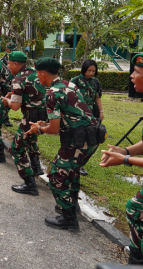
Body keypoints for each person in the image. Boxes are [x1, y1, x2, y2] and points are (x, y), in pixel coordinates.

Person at [26, 57, 98, 232]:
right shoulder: (68, 85)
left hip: (78, 141)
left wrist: (39, 130)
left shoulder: (52, 93)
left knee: (56, 176)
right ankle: (73, 205)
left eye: (37, 73)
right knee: (71, 172)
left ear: (43, 74)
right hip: (91, 137)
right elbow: (71, 113)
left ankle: (69, 218)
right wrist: (45, 124)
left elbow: (54, 129)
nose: (37, 76)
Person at [99, 50, 143, 265]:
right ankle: (137, 261)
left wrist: (124, 161)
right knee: (135, 207)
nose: (131, 76)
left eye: (137, 72)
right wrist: (127, 151)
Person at [0, 51, 46, 196]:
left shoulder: (19, 79)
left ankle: (29, 184)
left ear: (15, 64)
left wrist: (7, 100)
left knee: (16, 147)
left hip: (31, 117)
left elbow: (14, 106)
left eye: (9, 63)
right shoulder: (35, 73)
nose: (8, 66)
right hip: (45, 116)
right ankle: (36, 166)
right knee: (30, 139)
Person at [71, 59, 104, 177]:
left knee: (92, 140)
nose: (91, 73)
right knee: (78, 140)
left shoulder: (95, 82)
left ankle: (81, 164)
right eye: (89, 70)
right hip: (77, 115)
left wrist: (101, 111)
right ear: (84, 69)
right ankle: (74, 164)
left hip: (90, 115)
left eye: (93, 71)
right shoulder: (75, 80)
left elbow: (97, 98)